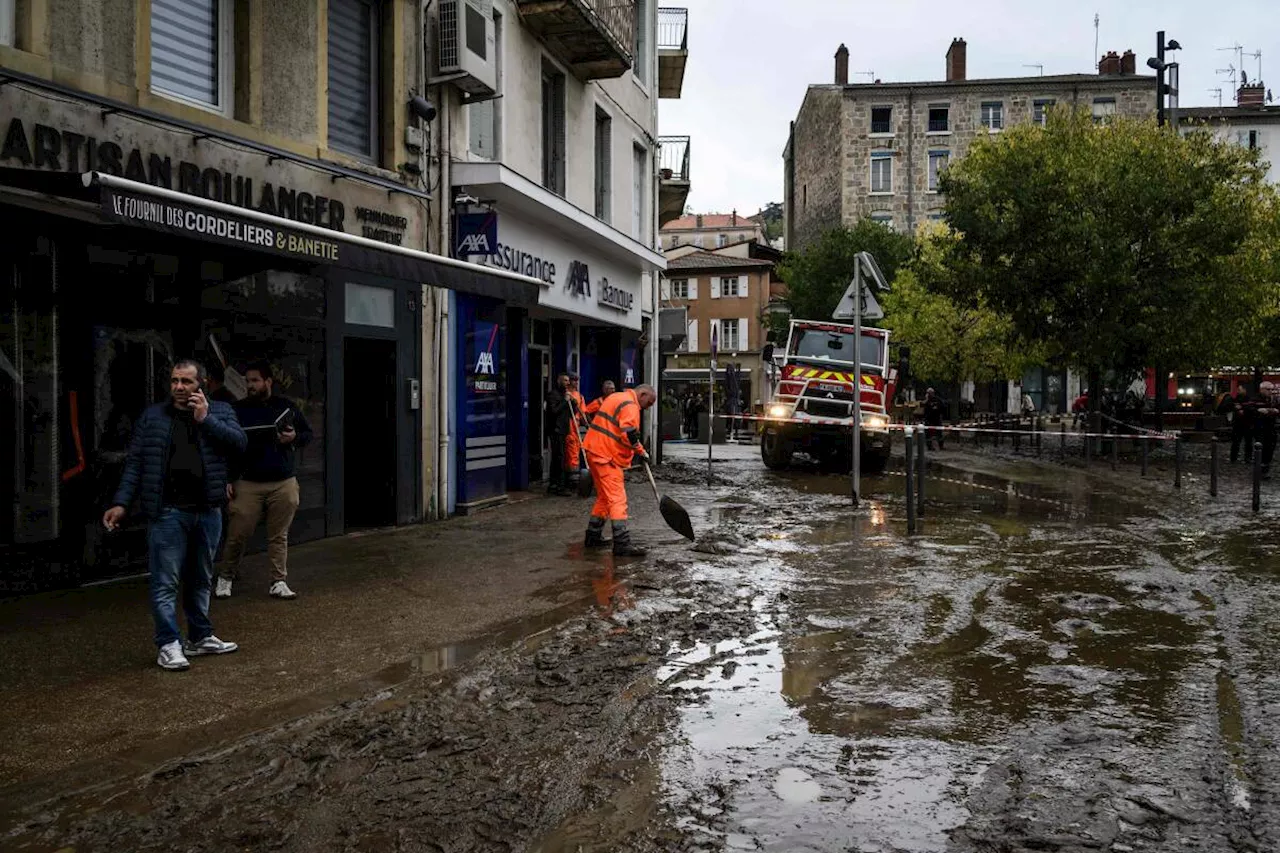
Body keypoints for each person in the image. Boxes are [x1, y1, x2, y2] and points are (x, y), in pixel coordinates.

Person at [102, 359, 246, 671]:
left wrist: (205, 419)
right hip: (168, 512)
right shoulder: (154, 417)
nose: (179, 388)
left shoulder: (220, 412)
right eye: (175, 381)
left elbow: (239, 444)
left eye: (187, 382)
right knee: (166, 581)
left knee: (200, 578)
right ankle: (169, 644)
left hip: (208, 511)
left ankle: (200, 637)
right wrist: (122, 502)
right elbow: (137, 463)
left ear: (202, 384)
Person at [215, 361, 313, 600]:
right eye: (248, 381)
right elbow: (227, 446)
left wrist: (293, 438)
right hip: (248, 481)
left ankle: (278, 581)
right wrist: (228, 477)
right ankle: (225, 577)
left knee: (279, 535)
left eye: (255, 380)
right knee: (238, 533)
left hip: (283, 481)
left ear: (268, 382)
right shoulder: (237, 410)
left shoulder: (285, 406)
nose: (250, 385)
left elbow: (307, 434)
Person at [583, 383, 657, 557]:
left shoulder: (616, 397)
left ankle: (593, 536)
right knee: (617, 499)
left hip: (594, 451)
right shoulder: (630, 405)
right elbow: (629, 433)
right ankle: (622, 543)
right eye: (649, 402)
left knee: (604, 497)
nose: (648, 407)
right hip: (607, 456)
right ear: (643, 394)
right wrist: (641, 451)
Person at [546, 373, 572, 495]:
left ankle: (556, 484)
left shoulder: (564, 395)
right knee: (558, 458)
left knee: (561, 457)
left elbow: (570, 412)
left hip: (564, 430)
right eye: (565, 380)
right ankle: (557, 485)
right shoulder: (553, 394)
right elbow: (554, 411)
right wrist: (565, 401)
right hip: (556, 430)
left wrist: (572, 401)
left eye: (568, 381)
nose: (567, 383)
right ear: (559, 381)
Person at [1253, 382, 1278, 478]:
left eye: (1272, 390)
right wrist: (1258, 411)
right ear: (1262, 389)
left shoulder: (1273, 400)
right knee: (1260, 448)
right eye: (1268, 389)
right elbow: (1249, 409)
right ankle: (1259, 469)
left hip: (1271, 427)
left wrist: (1275, 411)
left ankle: (1265, 469)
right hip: (1260, 427)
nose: (1270, 392)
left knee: (1270, 448)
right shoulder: (1255, 399)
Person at [1229, 386, 1254, 464]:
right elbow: (1232, 407)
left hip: (1247, 423)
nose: (1238, 391)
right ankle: (1233, 457)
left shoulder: (1249, 399)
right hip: (1238, 424)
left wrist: (1242, 408)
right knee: (1236, 442)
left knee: (1248, 442)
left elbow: (1250, 409)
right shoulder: (1236, 398)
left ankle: (1247, 458)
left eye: (1240, 389)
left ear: (1244, 389)